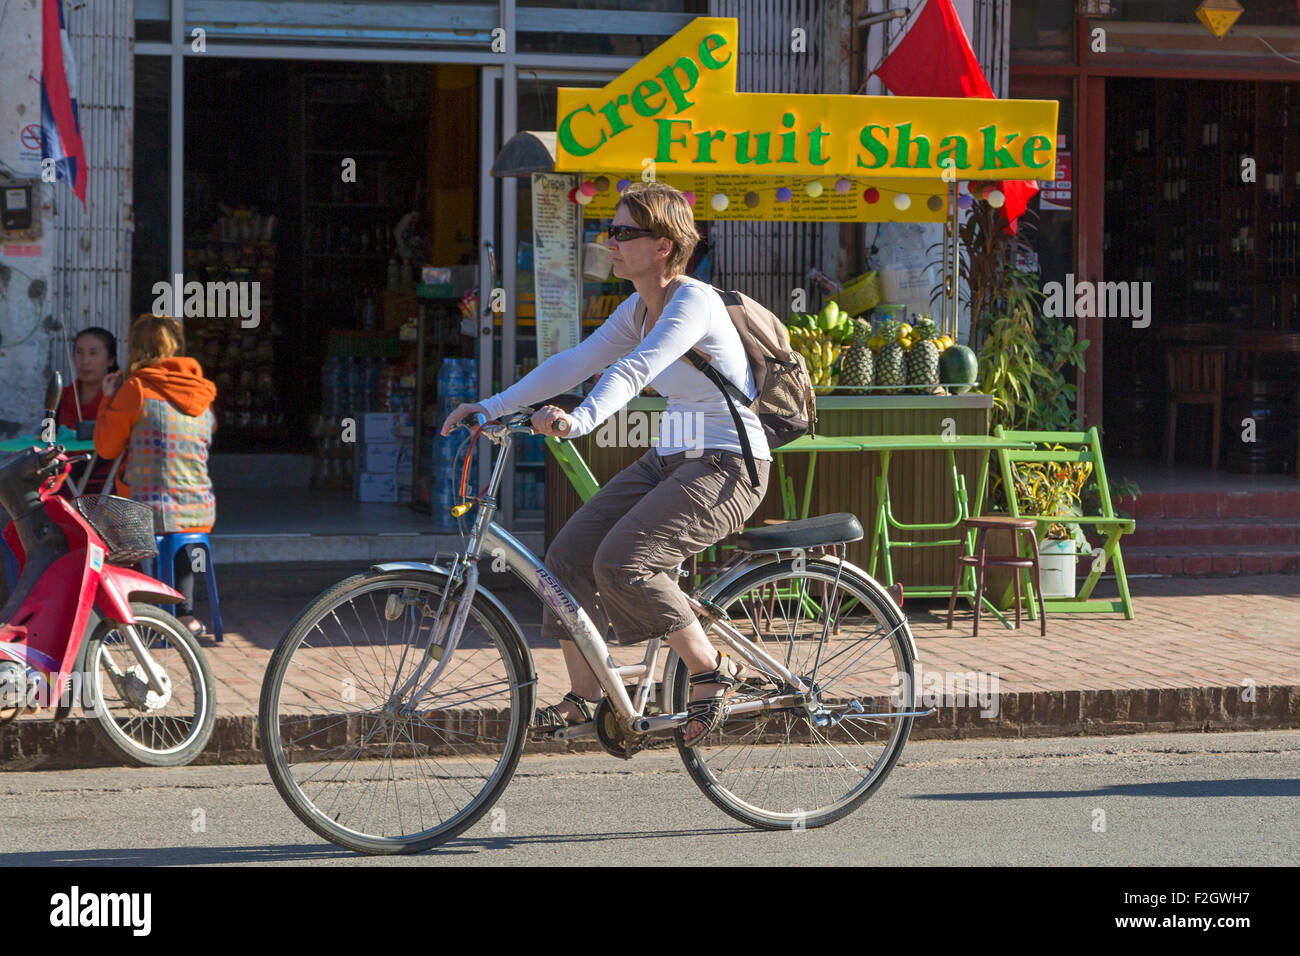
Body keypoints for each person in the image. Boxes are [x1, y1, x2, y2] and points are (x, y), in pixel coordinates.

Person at [441, 182, 771, 746]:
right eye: (609, 231)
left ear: (664, 244)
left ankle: (714, 671)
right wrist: (492, 407)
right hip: (672, 458)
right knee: (566, 558)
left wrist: (580, 419)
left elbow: (634, 370)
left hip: (729, 464)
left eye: (622, 232)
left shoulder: (694, 302)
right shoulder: (637, 309)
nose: (609, 242)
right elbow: (576, 361)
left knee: (624, 559)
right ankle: (586, 694)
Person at [94, 314, 217, 638]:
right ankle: (186, 614)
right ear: (175, 347)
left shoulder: (135, 388)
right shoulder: (203, 391)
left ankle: (132, 612)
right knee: (178, 530)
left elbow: (106, 448)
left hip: (146, 510)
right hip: (200, 508)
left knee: (100, 520)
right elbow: (209, 433)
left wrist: (107, 398)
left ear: (137, 348)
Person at [56, 327, 121, 494]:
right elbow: (47, 437)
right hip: (64, 485)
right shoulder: (61, 397)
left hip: (108, 489)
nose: (84, 361)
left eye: (93, 353)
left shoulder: (122, 397)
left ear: (110, 360)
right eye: (79, 352)